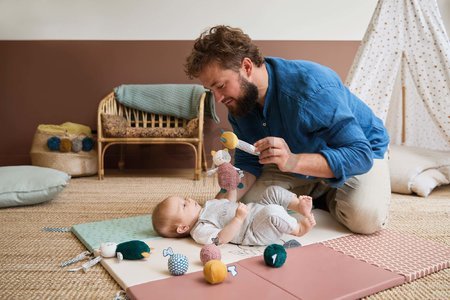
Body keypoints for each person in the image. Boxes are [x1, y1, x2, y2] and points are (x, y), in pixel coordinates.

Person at [184, 25, 391, 235]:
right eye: (212, 90)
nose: (218, 98)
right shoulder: (239, 103)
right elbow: (249, 162)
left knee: (364, 218)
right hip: (294, 160)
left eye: (220, 85)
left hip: (359, 151)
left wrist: (293, 161)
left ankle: (331, 190)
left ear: (246, 67)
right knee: (246, 206)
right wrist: (218, 206)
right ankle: (319, 191)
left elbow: (360, 154)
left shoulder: (312, 88)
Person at [152, 186, 316, 246]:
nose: (188, 199)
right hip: (253, 230)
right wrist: (238, 219)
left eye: (183, 198)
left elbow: (229, 202)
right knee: (271, 212)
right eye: (183, 205)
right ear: (183, 227)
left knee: (271, 191)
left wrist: (230, 187)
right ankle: (298, 228)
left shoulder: (207, 205)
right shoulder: (200, 229)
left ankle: (299, 206)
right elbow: (220, 239)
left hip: (254, 210)